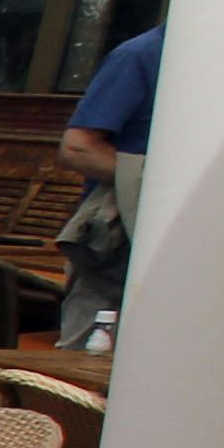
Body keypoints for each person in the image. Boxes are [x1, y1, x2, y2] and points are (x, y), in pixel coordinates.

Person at [56, 23, 161, 343]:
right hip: (112, 251)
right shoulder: (139, 56)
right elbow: (78, 147)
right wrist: (158, 186)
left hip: (173, 251)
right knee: (82, 369)